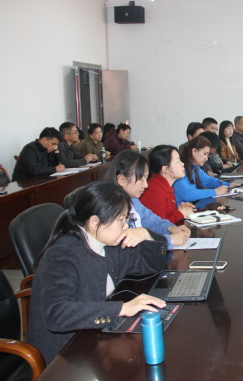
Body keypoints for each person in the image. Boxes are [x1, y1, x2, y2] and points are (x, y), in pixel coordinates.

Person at [27, 180, 168, 364]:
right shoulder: (62, 255)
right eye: (121, 220)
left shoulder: (109, 242)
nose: (126, 226)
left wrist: (147, 235)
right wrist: (122, 309)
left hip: (95, 338)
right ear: (94, 222)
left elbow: (149, 267)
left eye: (126, 219)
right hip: (64, 356)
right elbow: (57, 314)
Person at [106, 150, 190, 249]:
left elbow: (154, 222)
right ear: (122, 180)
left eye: (146, 179)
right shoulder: (110, 209)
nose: (146, 185)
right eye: (141, 180)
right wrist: (169, 240)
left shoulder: (134, 201)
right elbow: (126, 247)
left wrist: (171, 228)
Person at [174, 136, 241, 205]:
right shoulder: (179, 170)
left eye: (207, 155)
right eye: (204, 154)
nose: (206, 159)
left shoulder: (195, 168)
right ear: (194, 151)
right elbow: (187, 194)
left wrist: (229, 185)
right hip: (180, 209)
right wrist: (215, 191)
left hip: (191, 207)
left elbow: (209, 181)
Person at [140, 145, 195, 224]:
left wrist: (179, 210)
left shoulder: (164, 186)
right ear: (166, 169)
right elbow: (158, 225)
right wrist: (179, 213)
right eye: (177, 161)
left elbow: (165, 216)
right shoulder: (155, 190)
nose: (182, 164)